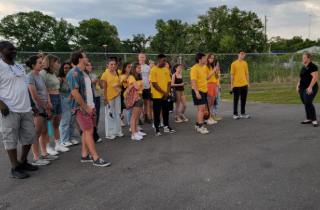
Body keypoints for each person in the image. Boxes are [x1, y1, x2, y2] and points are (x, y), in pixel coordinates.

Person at [0, 41, 39, 179]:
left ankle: (22, 162)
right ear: (1, 51)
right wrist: (1, 104)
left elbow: (25, 86)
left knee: (29, 136)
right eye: (10, 49)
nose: (13, 51)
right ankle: (14, 168)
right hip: (9, 109)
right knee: (10, 139)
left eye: (14, 48)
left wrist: (33, 105)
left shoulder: (19, 66)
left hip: (25, 108)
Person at [67, 51, 110, 167]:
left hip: (90, 106)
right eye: (85, 57)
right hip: (82, 108)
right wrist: (86, 108)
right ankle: (96, 158)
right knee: (89, 131)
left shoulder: (84, 72)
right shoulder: (73, 73)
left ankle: (85, 155)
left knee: (87, 131)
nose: (87, 58)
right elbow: (75, 93)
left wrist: (91, 106)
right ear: (80, 59)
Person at [26, 56, 58, 166]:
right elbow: (34, 96)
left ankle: (44, 153)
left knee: (44, 131)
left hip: (44, 106)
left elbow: (45, 90)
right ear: (33, 65)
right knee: (37, 132)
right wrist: (45, 107)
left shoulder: (40, 76)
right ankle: (36, 157)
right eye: (40, 63)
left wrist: (48, 101)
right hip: (38, 108)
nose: (42, 64)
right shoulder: (30, 77)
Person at [40, 55, 70, 154]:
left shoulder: (53, 73)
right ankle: (47, 146)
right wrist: (48, 101)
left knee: (57, 123)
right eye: (56, 62)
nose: (58, 64)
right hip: (51, 98)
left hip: (58, 97)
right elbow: (43, 87)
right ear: (51, 62)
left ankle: (58, 144)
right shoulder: (43, 73)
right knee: (49, 123)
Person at [150, 54, 176, 136]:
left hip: (166, 95)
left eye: (165, 61)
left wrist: (167, 93)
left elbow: (169, 82)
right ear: (158, 60)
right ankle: (157, 129)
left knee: (166, 112)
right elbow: (154, 84)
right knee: (157, 112)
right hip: (157, 95)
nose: (165, 62)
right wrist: (164, 93)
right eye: (163, 61)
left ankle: (166, 127)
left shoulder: (166, 70)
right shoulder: (153, 70)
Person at [57, 62, 79, 147]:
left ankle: (71, 138)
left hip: (72, 100)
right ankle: (64, 140)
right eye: (65, 68)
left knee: (72, 121)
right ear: (62, 69)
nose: (67, 69)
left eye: (69, 68)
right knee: (65, 121)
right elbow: (56, 91)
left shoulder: (72, 78)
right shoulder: (60, 79)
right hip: (64, 100)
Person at [101, 59, 123, 139]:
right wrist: (105, 98)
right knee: (109, 114)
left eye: (114, 64)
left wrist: (119, 85)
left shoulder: (117, 73)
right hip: (109, 96)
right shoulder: (105, 74)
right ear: (107, 65)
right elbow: (104, 87)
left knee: (118, 113)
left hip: (117, 94)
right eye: (111, 64)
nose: (113, 66)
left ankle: (117, 131)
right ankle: (109, 133)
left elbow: (120, 82)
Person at [297, 53, 319, 127]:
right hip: (302, 87)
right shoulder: (304, 67)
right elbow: (301, 78)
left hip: (311, 87)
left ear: (309, 58)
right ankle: (308, 118)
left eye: (305, 58)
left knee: (308, 102)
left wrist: (310, 87)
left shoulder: (312, 67)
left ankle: (314, 120)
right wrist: (297, 86)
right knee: (305, 102)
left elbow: (315, 77)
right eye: (303, 58)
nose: (303, 59)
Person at [191, 53, 209, 134]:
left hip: (204, 91)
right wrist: (197, 92)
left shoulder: (203, 68)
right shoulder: (195, 68)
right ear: (200, 59)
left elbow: (204, 79)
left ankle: (198, 125)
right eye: (204, 58)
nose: (205, 59)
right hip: (198, 91)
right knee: (201, 109)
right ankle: (200, 126)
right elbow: (193, 81)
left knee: (200, 109)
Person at [127, 62, 147, 140]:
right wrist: (141, 87)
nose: (140, 69)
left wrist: (140, 87)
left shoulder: (138, 76)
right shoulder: (131, 77)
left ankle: (137, 131)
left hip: (139, 95)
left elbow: (143, 87)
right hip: (135, 97)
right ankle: (133, 134)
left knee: (137, 115)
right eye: (138, 68)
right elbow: (137, 87)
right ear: (134, 69)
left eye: (140, 68)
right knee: (134, 116)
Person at [231, 50, 250, 119]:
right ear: (238, 54)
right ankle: (235, 114)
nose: (243, 55)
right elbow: (232, 75)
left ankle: (243, 113)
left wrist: (248, 83)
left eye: (244, 54)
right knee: (236, 100)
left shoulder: (245, 63)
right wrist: (232, 85)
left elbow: (247, 73)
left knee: (244, 99)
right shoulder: (234, 64)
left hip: (244, 84)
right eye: (242, 54)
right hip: (237, 84)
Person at [86, 62, 102, 142]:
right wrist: (91, 82)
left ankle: (95, 131)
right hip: (90, 98)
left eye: (90, 65)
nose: (90, 66)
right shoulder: (84, 76)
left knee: (97, 116)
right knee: (91, 116)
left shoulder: (94, 75)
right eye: (87, 65)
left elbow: (101, 87)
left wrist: (99, 82)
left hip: (97, 96)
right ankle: (93, 134)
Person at [204, 53, 218, 124]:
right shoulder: (205, 67)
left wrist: (216, 71)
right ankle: (206, 117)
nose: (212, 60)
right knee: (208, 102)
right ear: (207, 58)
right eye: (211, 58)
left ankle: (209, 116)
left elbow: (216, 77)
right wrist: (213, 72)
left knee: (212, 102)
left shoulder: (212, 67)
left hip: (214, 84)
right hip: (209, 84)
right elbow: (206, 78)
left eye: (213, 58)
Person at [139, 53, 152, 124]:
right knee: (139, 103)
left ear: (145, 58)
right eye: (141, 57)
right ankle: (140, 117)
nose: (142, 58)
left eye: (143, 57)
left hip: (147, 87)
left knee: (145, 102)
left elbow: (149, 77)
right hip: (139, 87)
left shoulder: (148, 67)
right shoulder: (136, 66)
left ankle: (146, 116)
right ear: (138, 58)